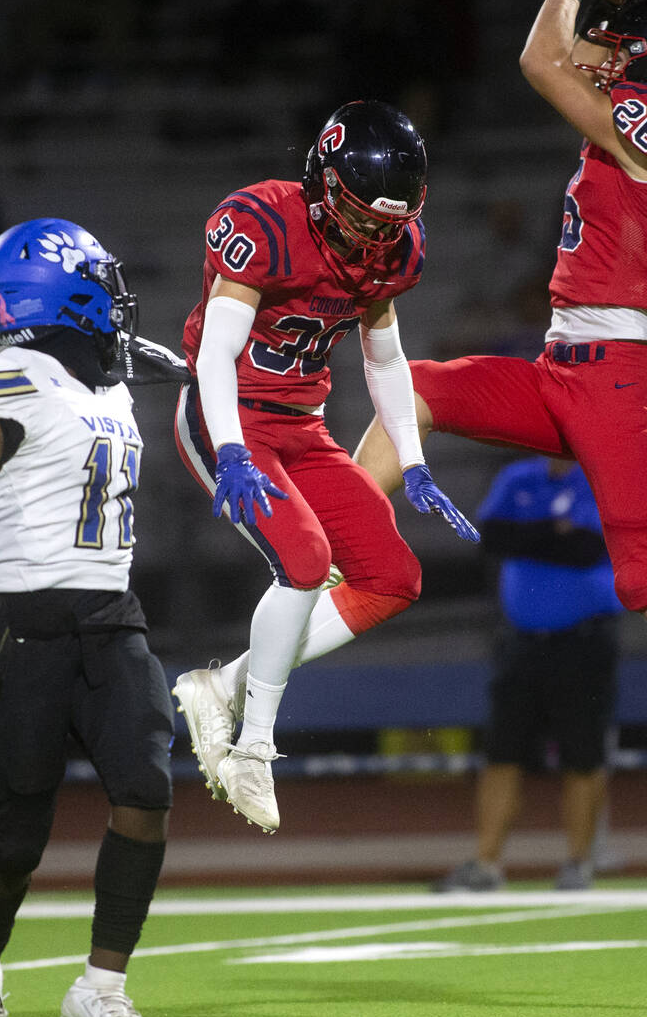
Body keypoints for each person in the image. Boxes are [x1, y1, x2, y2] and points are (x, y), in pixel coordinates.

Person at [353, 0, 647, 869]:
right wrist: (596, 3)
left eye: (631, 54)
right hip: (565, 366)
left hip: (621, 376)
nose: (612, 61)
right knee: (411, 388)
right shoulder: (646, 121)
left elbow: (544, 63)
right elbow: (569, 57)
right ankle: (340, 533)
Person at [0, 218, 187, 1017]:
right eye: (100, 279)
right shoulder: (11, 383)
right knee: (16, 845)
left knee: (146, 793)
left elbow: (128, 362)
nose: (115, 292)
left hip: (111, 620)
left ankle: (101, 986)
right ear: (59, 288)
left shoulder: (100, 379)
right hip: (23, 629)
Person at [173, 99, 479, 835]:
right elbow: (215, 354)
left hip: (300, 427)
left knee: (391, 577)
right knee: (306, 563)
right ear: (322, 180)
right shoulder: (265, 222)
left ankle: (225, 687)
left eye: (389, 221)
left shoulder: (393, 252)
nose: (375, 234)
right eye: (362, 215)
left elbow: (385, 356)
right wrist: (235, 450)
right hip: (229, 418)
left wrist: (412, 459)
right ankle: (252, 747)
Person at [434, 456, 622, 893]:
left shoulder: (599, 475)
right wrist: (551, 533)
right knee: (502, 753)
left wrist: (525, 534)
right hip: (521, 643)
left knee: (583, 754)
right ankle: (487, 864)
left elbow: (587, 548)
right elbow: (491, 537)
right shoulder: (518, 476)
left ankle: (579, 862)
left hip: (585, 641)